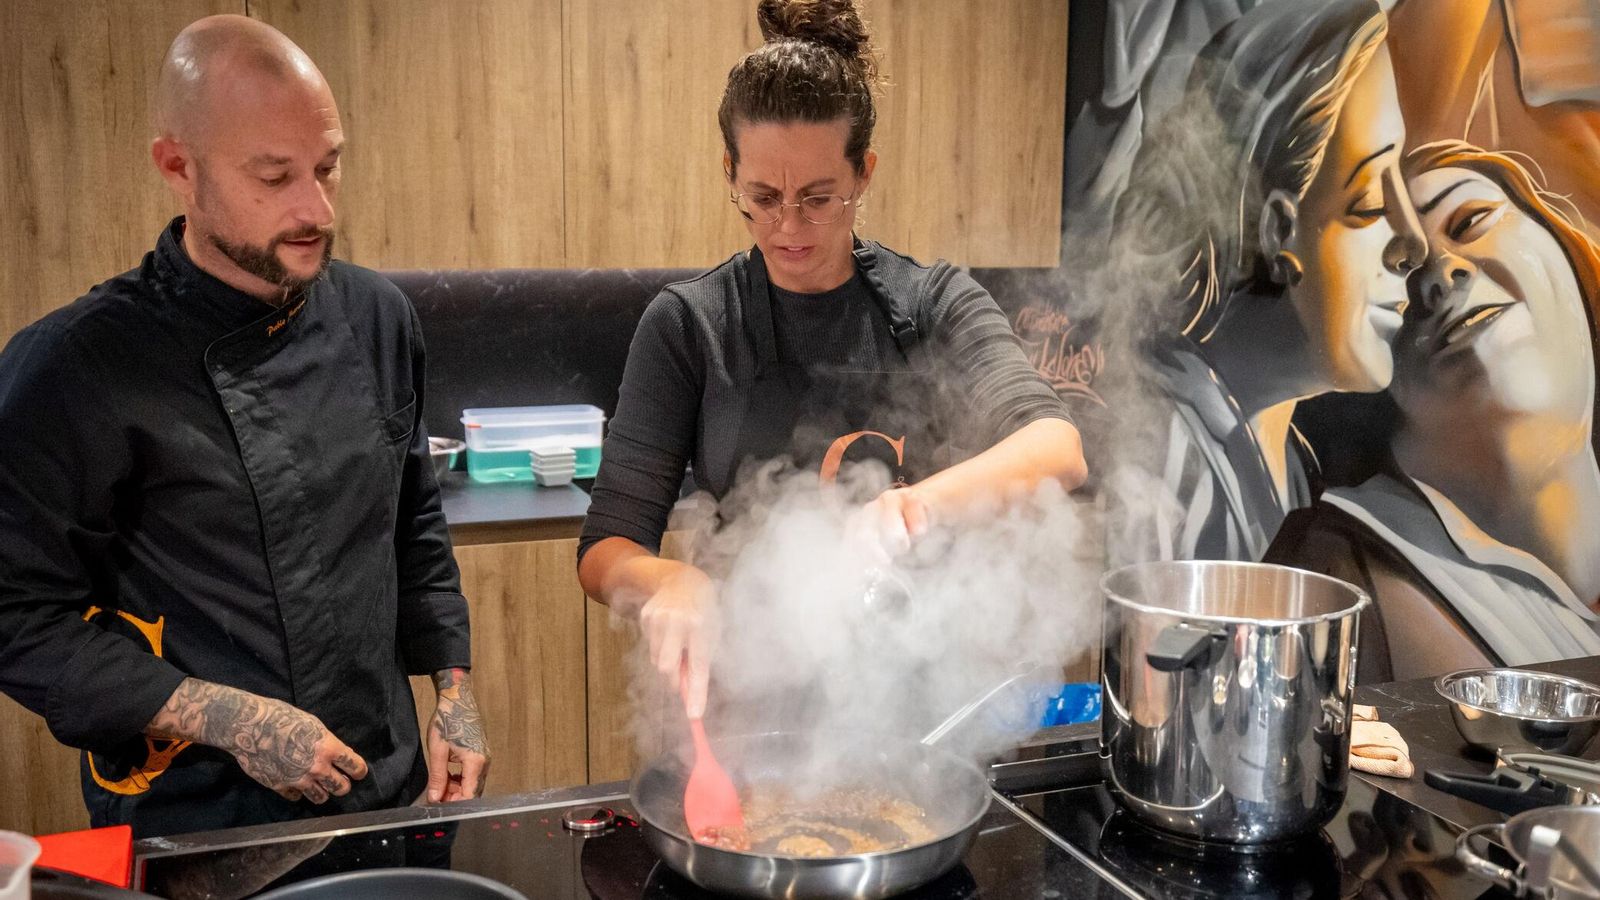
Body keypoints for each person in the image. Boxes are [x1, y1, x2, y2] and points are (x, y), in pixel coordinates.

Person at [0, 15, 488, 837]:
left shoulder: (378, 317)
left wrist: (453, 692)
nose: (316, 208)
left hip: (388, 790)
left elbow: (411, 521)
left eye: (328, 168)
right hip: (196, 820)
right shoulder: (77, 366)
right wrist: (228, 718)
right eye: (274, 178)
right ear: (178, 168)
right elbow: (15, 613)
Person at [578, 0, 1087, 717]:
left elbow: (1058, 448)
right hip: (752, 702)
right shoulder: (691, 326)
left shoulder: (935, 303)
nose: (788, 225)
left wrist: (911, 505)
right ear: (730, 171)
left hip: (921, 705)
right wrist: (668, 580)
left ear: (865, 172)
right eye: (762, 195)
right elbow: (606, 546)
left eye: (818, 197)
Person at [1266, 141, 1600, 681]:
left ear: (1564, 248)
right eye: (1399, 270)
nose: (1438, 274)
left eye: (1469, 221)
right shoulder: (1333, 575)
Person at [1108, 0, 1427, 563]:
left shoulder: (1290, 457)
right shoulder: (1161, 459)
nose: (1414, 243)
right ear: (1279, 229)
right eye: (1372, 202)